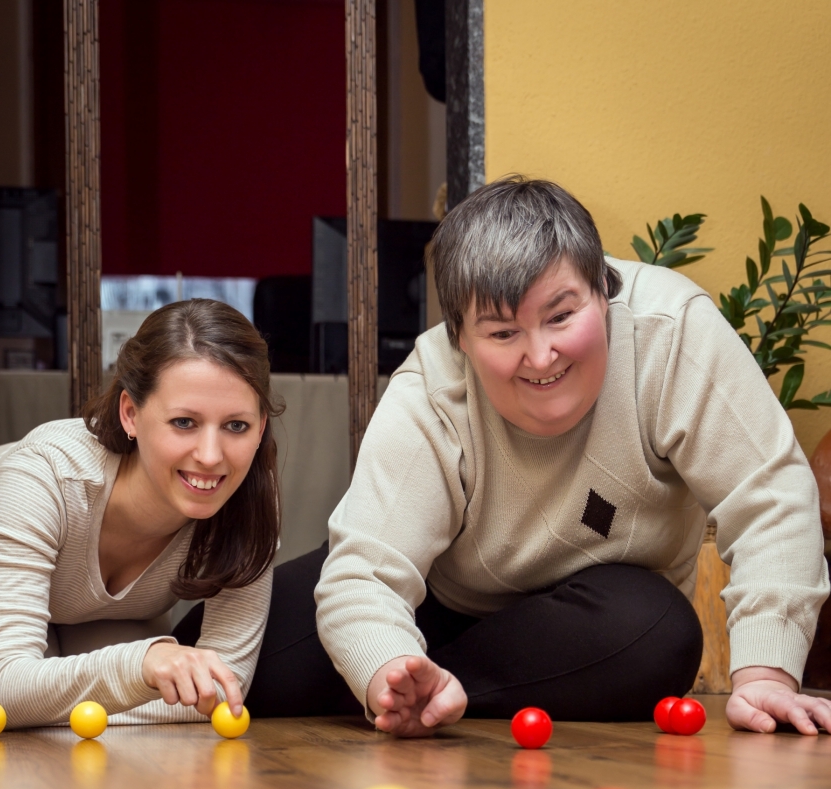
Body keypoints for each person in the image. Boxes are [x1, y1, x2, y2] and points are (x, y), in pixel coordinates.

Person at [302, 176, 829, 737]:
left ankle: (440, 692)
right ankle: (422, 686)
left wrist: (767, 678)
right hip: (435, 599)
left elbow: (770, 498)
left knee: (657, 635)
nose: (540, 356)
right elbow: (363, 575)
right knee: (265, 658)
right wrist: (388, 664)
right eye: (503, 333)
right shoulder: (430, 387)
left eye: (560, 317)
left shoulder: (671, 333)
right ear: (459, 338)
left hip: (595, 617)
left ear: (605, 291)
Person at [0, 300, 280, 728]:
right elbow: (11, 684)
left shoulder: (248, 504)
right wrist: (5, 686)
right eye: (184, 423)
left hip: (85, 613)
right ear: (131, 414)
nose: (211, 457)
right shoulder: (46, 475)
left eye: (236, 426)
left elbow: (220, 694)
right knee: (38, 685)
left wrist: (29, 699)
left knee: (52, 692)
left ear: (261, 426)